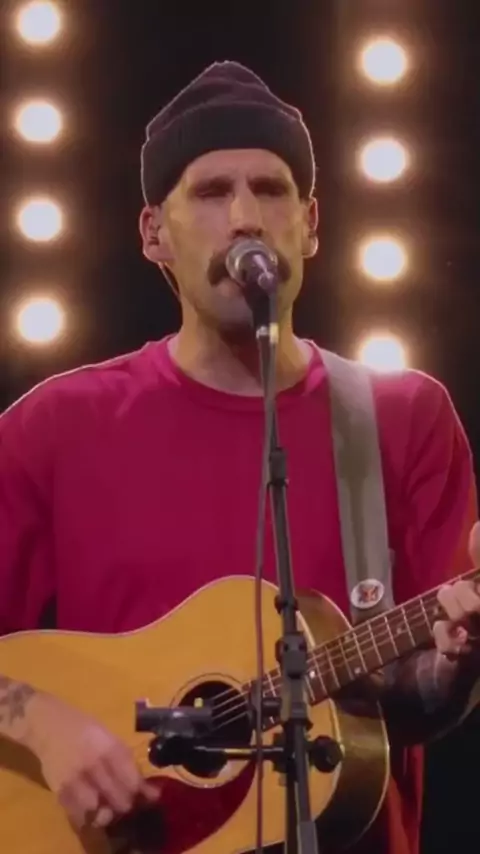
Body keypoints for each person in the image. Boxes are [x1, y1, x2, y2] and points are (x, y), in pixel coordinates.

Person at [0, 60, 479, 854]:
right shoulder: (55, 425)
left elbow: (414, 697)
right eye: (213, 192)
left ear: (311, 223)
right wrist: (46, 725)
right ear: (154, 233)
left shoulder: (402, 417)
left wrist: (458, 664)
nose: (247, 218)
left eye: (271, 189)